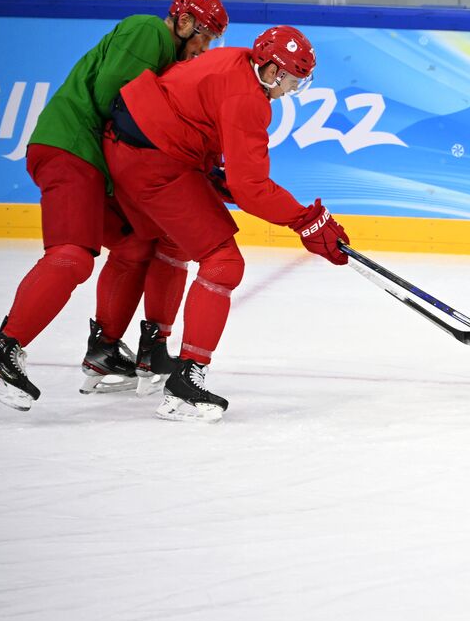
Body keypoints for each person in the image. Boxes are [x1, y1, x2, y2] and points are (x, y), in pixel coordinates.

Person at [0, 0, 227, 412]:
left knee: (137, 243)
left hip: (96, 160)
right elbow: (113, 102)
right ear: (185, 21)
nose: (204, 47)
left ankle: (103, 351)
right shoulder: (148, 31)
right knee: (73, 257)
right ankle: (3, 350)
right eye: (204, 35)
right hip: (72, 149)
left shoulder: (171, 59)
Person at [101, 26, 350, 423]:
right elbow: (250, 188)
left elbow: (195, 119)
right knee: (224, 263)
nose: (291, 88)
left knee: (177, 243)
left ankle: (153, 352)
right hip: (155, 162)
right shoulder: (249, 99)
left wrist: (214, 174)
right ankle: (184, 384)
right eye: (290, 79)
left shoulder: (234, 59)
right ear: (270, 70)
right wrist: (307, 221)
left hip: (130, 146)